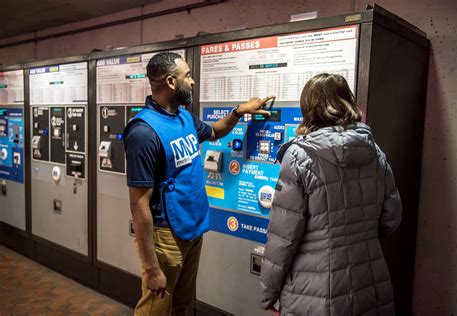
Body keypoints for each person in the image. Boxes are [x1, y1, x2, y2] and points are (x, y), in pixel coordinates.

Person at [124, 51, 273, 316]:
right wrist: (150, 267)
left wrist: (239, 112)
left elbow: (214, 131)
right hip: (166, 235)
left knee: (182, 306)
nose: (192, 82)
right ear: (171, 82)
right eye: (188, 76)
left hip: (192, 229)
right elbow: (138, 203)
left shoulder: (183, 117)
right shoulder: (143, 131)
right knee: (155, 311)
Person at [259, 73, 402, 316]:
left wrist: (268, 295)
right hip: (369, 283)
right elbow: (392, 217)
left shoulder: (299, 156)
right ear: (347, 101)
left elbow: (283, 239)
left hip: (314, 292)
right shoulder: (374, 151)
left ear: (309, 108)